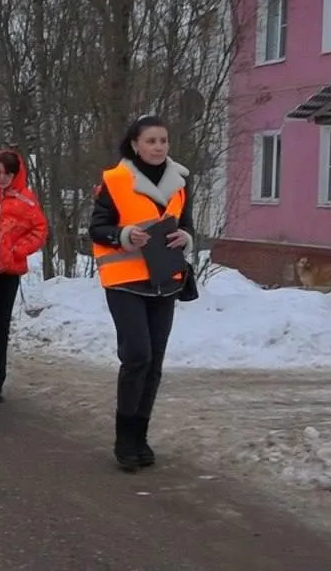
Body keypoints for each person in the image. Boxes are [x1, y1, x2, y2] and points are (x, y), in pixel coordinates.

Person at [88, 115, 194, 472]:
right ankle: (123, 439)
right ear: (135, 144)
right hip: (125, 280)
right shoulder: (115, 180)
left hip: (165, 278)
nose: (158, 147)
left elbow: (187, 224)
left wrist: (186, 237)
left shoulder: (180, 180)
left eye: (163, 140)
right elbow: (97, 228)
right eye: (151, 141)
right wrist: (123, 235)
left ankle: (140, 436)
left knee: (155, 363)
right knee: (137, 356)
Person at [0, 149, 48, 406]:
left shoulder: (26, 199)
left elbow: (40, 229)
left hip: (9, 272)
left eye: (7, 173)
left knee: (1, 325)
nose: (2, 178)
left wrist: (18, 249)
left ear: (15, 174)